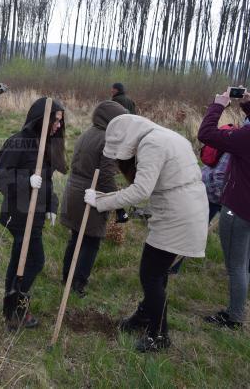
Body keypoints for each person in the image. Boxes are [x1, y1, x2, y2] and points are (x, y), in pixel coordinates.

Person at [84, 114, 208, 352]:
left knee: (150, 275)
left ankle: (159, 335)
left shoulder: (152, 143)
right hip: (184, 209)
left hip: (179, 215)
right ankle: (144, 316)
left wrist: (101, 201)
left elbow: (141, 190)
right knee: (157, 273)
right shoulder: (165, 135)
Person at [0, 97, 67, 329]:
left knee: (20, 262)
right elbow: (1, 177)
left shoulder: (45, 144)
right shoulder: (18, 142)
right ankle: (17, 307)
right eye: (55, 121)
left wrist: (52, 205)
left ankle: (12, 310)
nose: (58, 126)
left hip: (35, 215)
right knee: (34, 261)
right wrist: (26, 180)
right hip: (19, 214)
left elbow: (46, 181)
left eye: (60, 122)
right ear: (42, 120)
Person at [60, 101, 127, 297]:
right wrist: (118, 204)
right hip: (90, 195)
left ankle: (67, 278)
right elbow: (106, 176)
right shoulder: (107, 139)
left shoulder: (88, 132)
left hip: (74, 190)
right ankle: (78, 284)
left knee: (76, 238)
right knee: (91, 241)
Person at [198, 88, 250, 329]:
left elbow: (206, 133)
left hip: (238, 209)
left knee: (235, 267)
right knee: (244, 263)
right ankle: (237, 311)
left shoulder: (245, 137)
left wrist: (218, 104)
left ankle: (234, 316)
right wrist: (246, 105)